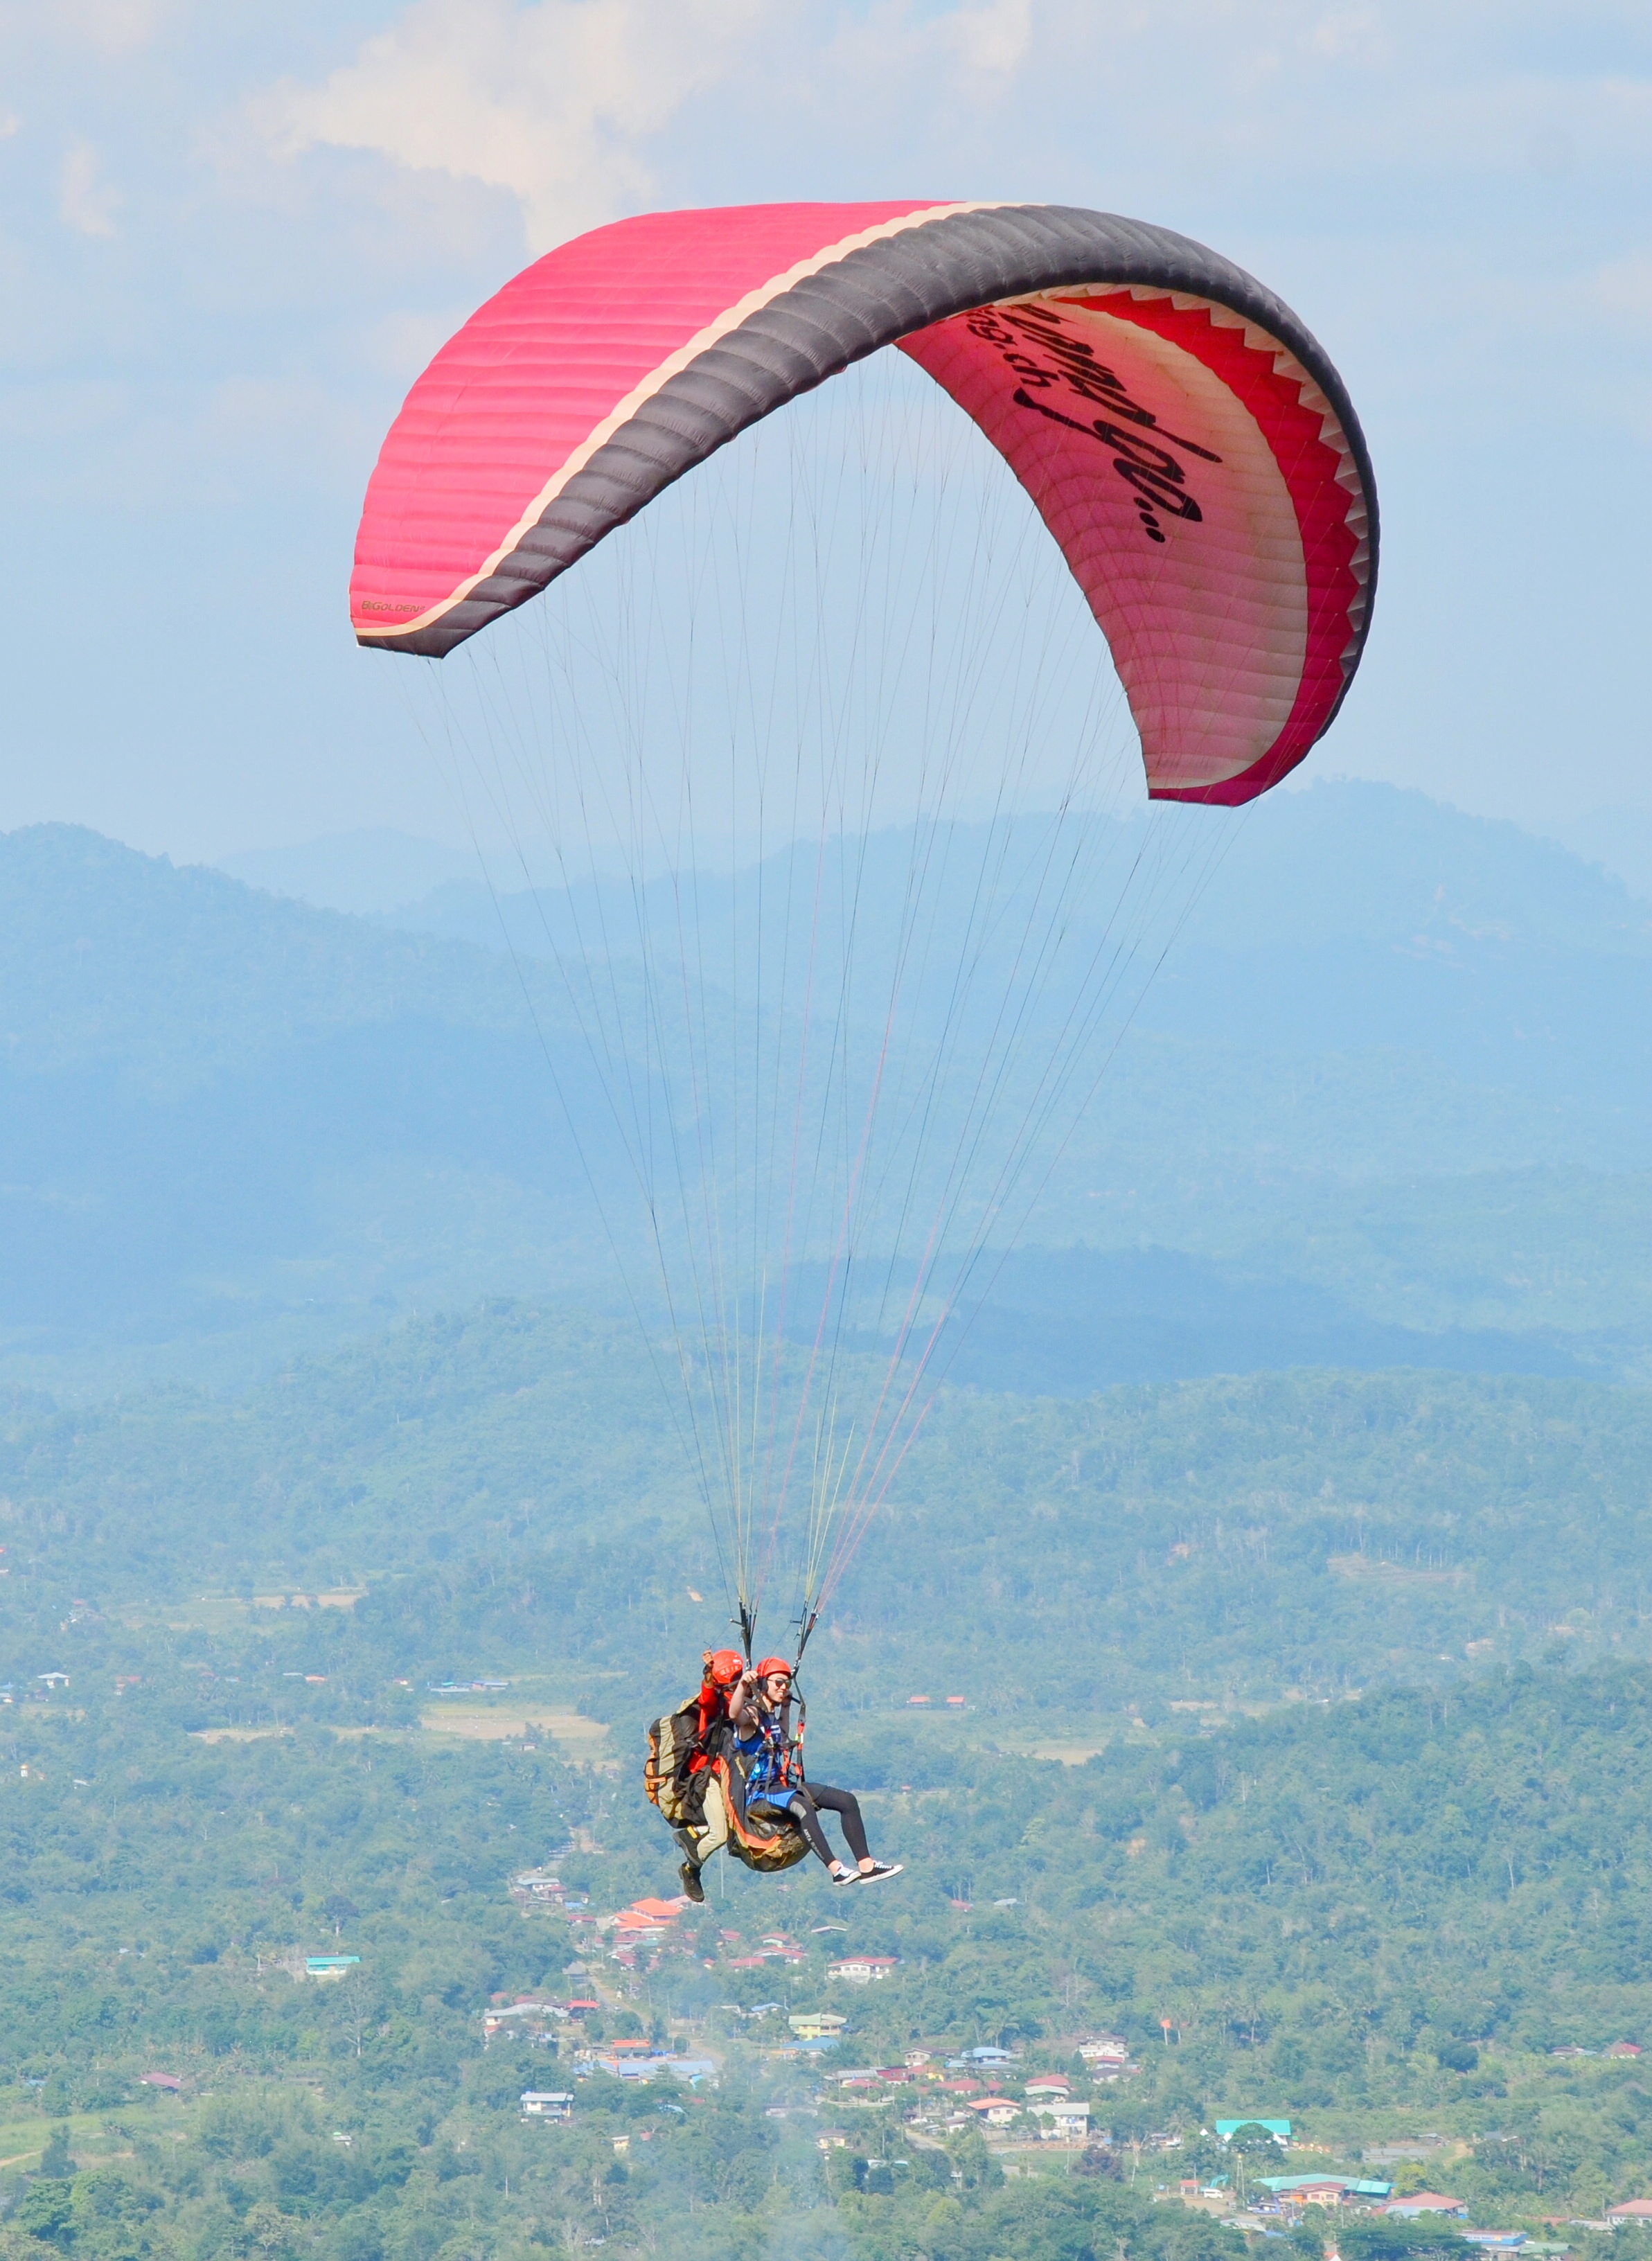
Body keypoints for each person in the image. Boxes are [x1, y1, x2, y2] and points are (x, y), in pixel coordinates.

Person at [729, 1657, 900, 1886]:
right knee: (804, 1807)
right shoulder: (752, 1716)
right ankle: (836, 1870)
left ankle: (867, 1866)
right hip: (761, 1794)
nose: (783, 1687)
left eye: (786, 1683)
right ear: (762, 1684)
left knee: (847, 1801)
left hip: (782, 1786)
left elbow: (781, 1736)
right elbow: (734, 1715)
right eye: (778, 1682)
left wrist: (787, 1707)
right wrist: (743, 1685)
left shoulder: (770, 1718)